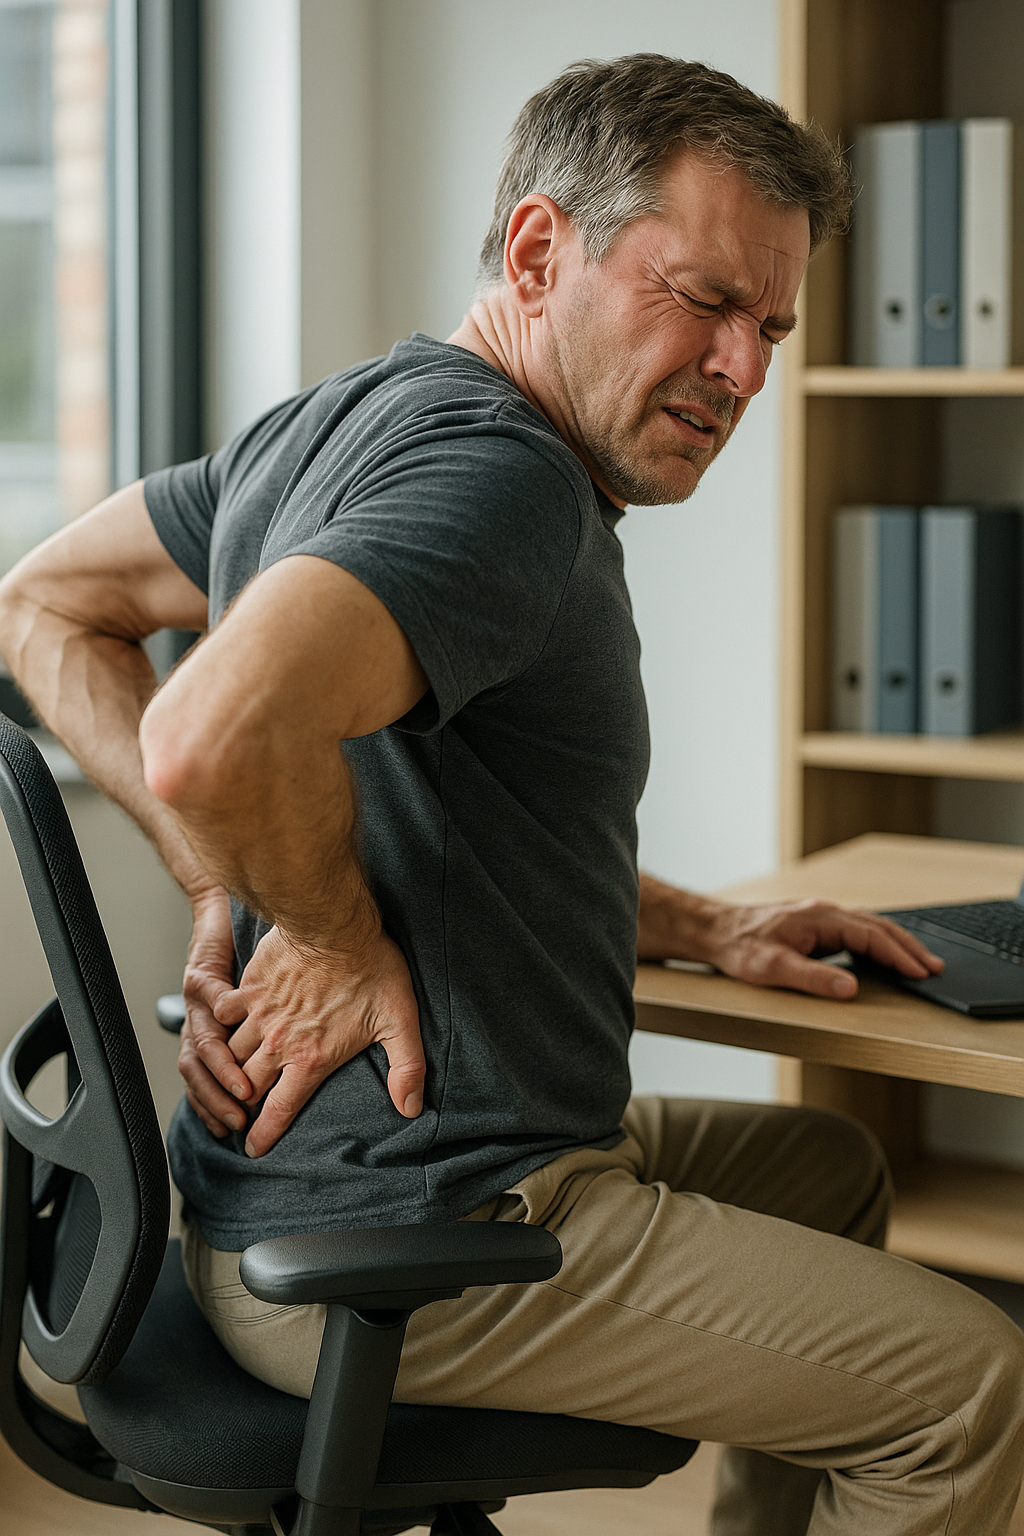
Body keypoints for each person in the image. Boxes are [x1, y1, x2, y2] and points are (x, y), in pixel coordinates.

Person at [1, 52, 1022, 1536]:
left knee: (824, 1163)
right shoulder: (505, 486)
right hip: (427, 1226)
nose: (745, 369)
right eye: (705, 301)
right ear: (542, 251)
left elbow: (42, 602)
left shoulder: (346, 419)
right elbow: (207, 738)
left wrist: (694, 926)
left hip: (292, 1191)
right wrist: (318, 931)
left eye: (774, 327)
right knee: (972, 1391)